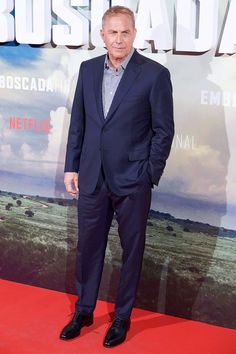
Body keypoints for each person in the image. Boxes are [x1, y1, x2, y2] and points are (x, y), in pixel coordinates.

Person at [60, 5, 174, 348]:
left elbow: (163, 131)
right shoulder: (88, 69)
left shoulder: (154, 75)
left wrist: (148, 174)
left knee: (131, 251)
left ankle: (122, 317)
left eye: (125, 32)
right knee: (88, 249)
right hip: (92, 177)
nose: (119, 38)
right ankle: (83, 311)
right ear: (102, 35)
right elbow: (79, 122)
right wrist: (72, 166)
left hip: (133, 181)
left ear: (134, 34)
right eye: (113, 32)